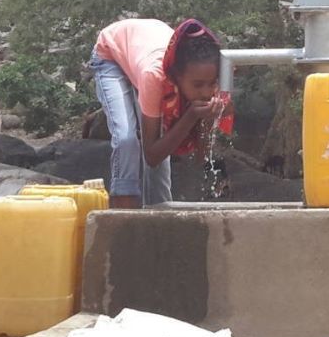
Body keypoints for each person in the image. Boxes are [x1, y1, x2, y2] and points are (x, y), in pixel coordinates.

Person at [89, 18, 232, 209]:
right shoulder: (155, 76)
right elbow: (152, 154)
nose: (206, 92)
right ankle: (124, 210)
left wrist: (208, 118)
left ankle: (161, 211)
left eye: (211, 84)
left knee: (164, 137)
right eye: (198, 85)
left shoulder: (210, 78)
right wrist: (190, 116)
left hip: (143, 46)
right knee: (127, 139)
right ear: (177, 78)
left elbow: (201, 154)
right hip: (112, 53)